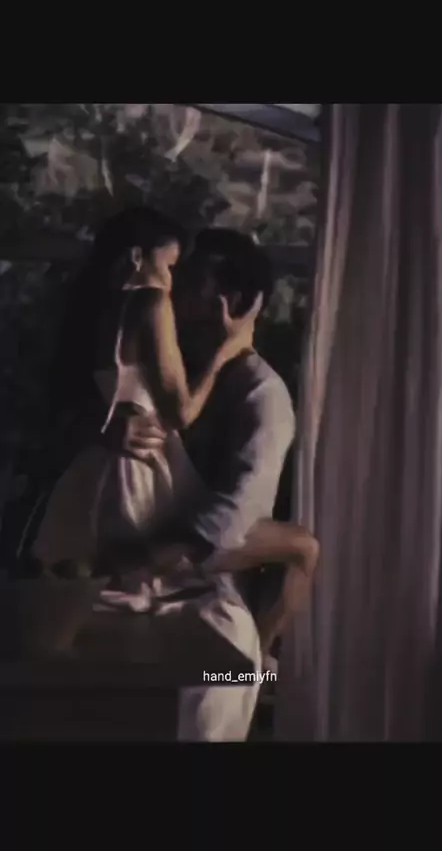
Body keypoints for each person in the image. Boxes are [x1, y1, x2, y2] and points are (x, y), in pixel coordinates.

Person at [101, 227, 320, 664]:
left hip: (181, 551)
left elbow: (238, 507)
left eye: (191, 280)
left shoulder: (261, 394)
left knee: (304, 550)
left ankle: (258, 671)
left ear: (227, 302)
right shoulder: (173, 363)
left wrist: (157, 559)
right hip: (138, 524)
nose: (174, 288)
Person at [29, 207, 261, 575]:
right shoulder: (151, 302)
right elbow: (180, 413)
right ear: (137, 257)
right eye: (169, 266)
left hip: (94, 466)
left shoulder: (95, 309)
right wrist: (226, 351)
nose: (171, 281)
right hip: (138, 465)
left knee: (93, 583)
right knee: (140, 580)